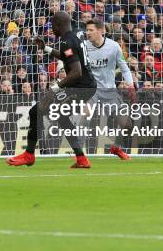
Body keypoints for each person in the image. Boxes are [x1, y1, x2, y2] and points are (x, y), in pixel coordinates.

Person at [6, 11, 97, 169]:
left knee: (36, 111)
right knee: (62, 117)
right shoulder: (76, 34)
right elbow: (67, 57)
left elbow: (76, 72)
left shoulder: (67, 41)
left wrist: (53, 90)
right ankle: (81, 159)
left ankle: (29, 155)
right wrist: (46, 48)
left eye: (52, 26)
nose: (51, 29)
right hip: (86, 86)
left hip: (80, 87)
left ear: (58, 25)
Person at [84, 18, 135, 160]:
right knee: (84, 116)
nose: (88, 32)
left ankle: (116, 147)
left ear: (101, 31)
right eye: (87, 30)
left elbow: (124, 68)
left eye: (91, 30)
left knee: (126, 124)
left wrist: (130, 85)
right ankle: (79, 155)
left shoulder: (113, 47)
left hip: (109, 91)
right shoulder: (84, 47)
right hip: (91, 89)